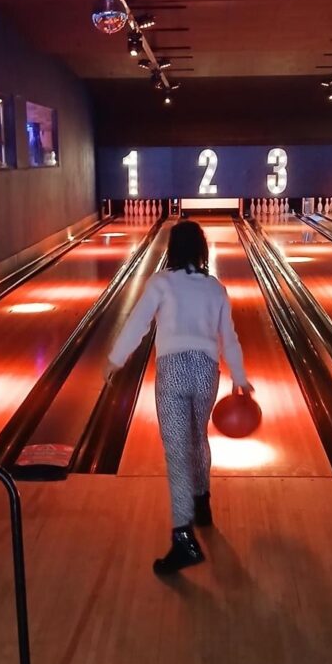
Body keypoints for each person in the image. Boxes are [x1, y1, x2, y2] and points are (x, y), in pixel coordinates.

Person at [105, 220, 252, 576]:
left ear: (172, 249)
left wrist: (115, 359)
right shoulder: (216, 288)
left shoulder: (161, 283)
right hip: (206, 371)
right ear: (201, 250)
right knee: (198, 438)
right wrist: (240, 377)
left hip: (172, 371)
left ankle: (183, 538)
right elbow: (228, 338)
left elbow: (137, 323)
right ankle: (203, 505)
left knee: (176, 452)